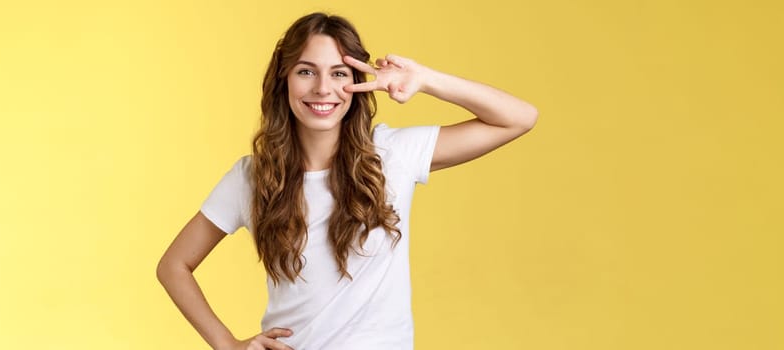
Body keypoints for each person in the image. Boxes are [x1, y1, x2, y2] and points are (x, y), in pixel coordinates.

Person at [156, 12, 538, 350]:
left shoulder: (390, 155)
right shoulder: (253, 177)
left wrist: (425, 79)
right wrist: (228, 345)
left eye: (339, 73)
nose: (323, 88)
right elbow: (173, 265)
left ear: (357, 83)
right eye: (306, 71)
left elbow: (518, 117)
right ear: (283, 80)